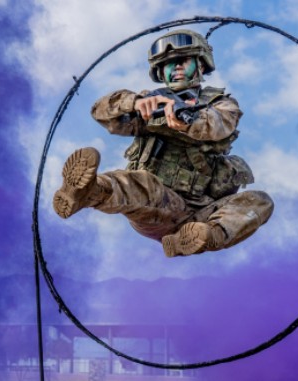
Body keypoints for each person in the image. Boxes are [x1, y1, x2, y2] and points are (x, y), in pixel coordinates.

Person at [53, 29, 274, 257]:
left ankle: (199, 238)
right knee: (142, 183)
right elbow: (101, 112)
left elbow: (219, 124)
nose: (176, 67)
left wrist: (187, 118)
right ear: (160, 71)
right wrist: (134, 103)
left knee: (259, 202)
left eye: (183, 61)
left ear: (200, 66)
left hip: (201, 211)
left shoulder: (222, 104)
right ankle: (89, 191)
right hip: (157, 205)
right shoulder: (151, 102)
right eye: (169, 64)